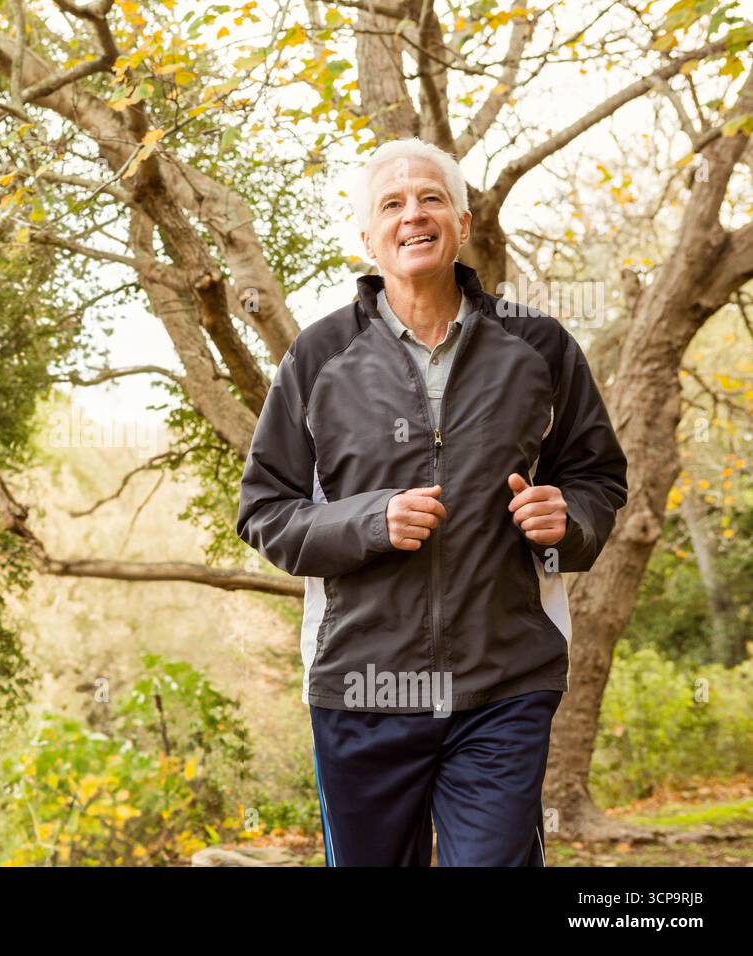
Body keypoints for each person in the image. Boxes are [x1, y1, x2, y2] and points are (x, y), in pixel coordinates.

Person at [235, 137, 628, 866]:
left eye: (430, 198)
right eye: (391, 204)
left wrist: (567, 522)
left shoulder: (538, 346)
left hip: (502, 683)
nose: (412, 215)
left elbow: (598, 478)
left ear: (463, 222)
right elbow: (265, 510)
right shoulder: (318, 358)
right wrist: (368, 521)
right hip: (362, 687)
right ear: (366, 236)